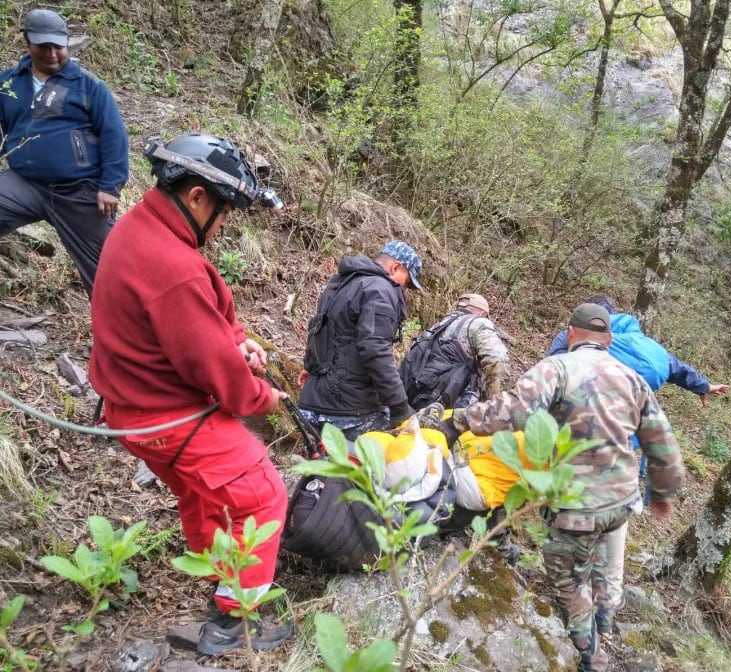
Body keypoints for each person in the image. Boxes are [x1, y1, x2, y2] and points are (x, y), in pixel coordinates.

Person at [88, 133, 290, 655]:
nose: (224, 224)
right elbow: (215, 371)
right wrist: (262, 397)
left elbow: (191, 323)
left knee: (205, 495)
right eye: (223, 210)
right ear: (197, 196)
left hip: (134, 411)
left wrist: (237, 339)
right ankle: (235, 621)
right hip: (168, 416)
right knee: (261, 494)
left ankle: (218, 579)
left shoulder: (139, 227)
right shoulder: (171, 265)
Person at [439, 303, 685, 672]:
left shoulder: (557, 368)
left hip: (576, 501)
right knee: (602, 566)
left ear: (571, 334)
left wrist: (461, 420)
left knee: (569, 582)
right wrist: (663, 495)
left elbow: (515, 411)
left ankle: (591, 658)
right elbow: (662, 442)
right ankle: (603, 625)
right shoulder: (632, 378)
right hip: (620, 500)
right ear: (609, 339)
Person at [545, 293, 729, 624]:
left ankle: (573, 601)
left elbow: (553, 373)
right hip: (625, 452)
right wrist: (703, 386)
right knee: (614, 532)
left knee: (574, 519)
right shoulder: (644, 343)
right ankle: (607, 610)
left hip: (583, 446)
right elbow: (675, 369)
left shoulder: (579, 337)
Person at [0, 9, 129, 295]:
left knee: (109, 270)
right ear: (27, 42)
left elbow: (114, 136)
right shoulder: (9, 84)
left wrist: (110, 186)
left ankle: (119, 336)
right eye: (43, 46)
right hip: (25, 183)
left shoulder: (88, 86)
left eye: (58, 46)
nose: (52, 53)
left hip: (79, 192)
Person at [296, 240, 422, 441]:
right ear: (395, 267)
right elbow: (375, 349)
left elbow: (321, 330)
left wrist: (310, 367)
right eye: (406, 283)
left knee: (321, 468)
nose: (404, 290)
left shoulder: (340, 282)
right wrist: (399, 406)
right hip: (349, 411)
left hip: (312, 403)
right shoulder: (381, 289)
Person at [546, 294, 731, 407]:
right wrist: (704, 386)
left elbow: (552, 368)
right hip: (651, 377)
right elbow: (674, 365)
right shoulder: (641, 341)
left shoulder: (576, 333)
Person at [400, 292, 510, 409]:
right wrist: (495, 405)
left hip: (413, 396)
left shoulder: (439, 325)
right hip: (446, 406)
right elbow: (497, 359)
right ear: (482, 313)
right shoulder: (479, 323)